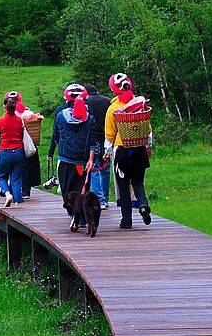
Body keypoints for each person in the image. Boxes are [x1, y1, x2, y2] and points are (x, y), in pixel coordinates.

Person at [47, 83, 100, 232]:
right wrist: (90, 160)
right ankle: (82, 220)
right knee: (82, 191)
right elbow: (92, 141)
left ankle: (73, 217)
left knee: (67, 192)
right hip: (83, 162)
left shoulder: (60, 116)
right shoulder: (89, 119)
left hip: (66, 160)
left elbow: (56, 137)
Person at [104, 73, 153, 229]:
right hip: (139, 149)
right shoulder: (141, 105)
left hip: (122, 151)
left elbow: (109, 135)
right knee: (138, 181)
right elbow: (148, 130)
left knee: (123, 185)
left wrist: (107, 151)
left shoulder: (113, 109)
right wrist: (148, 147)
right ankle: (143, 205)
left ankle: (127, 220)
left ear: (114, 90)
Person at [0, 96, 27, 208]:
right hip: (19, 152)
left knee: (2, 176)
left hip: (5, 152)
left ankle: (7, 194)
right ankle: (17, 202)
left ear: (4, 107)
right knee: (16, 179)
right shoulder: (20, 120)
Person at [6, 91, 42, 199]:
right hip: (28, 145)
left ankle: (12, 190)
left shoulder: (8, 116)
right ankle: (26, 190)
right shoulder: (27, 112)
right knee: (28, 166)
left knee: (14, 167)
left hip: (14, 145)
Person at [83, 83, 112, 209]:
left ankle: (99, 200)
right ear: (97, 91)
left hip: (93, 140)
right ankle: (105, 198)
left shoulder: (86, 103)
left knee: (93, 169)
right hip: (106, 139)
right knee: (105, 168)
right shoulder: (108, 101)